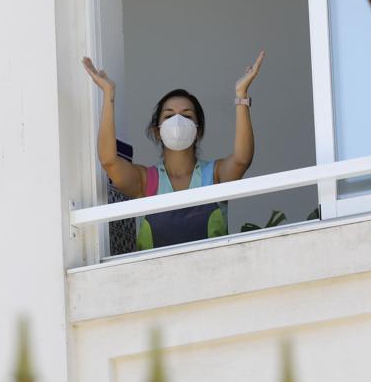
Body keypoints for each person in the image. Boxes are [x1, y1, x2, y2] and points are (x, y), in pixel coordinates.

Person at [82, 52, 265, 250]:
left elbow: (242, 159)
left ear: (198, 130)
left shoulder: (214, 175)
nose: (177, 122)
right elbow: (109, 161)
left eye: (186, 115)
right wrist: (108, 95)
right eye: (169, 116)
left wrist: (241, 96)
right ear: (157, 130)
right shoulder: (146, 181)